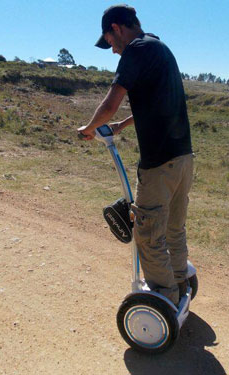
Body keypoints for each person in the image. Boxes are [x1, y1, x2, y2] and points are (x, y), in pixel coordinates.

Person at [77, 4, 193, 306]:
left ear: (116, 28)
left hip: (159, 163)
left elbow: (111, 102)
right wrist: (121, 125)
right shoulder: (159, 47)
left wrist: (90, 128)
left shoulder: (135, 51)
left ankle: (164, 298)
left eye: (111, 43)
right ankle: (180, 281)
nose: (114, 51)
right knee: (173, 228)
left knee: (148, 234)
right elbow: (157, 102)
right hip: (183, 157)